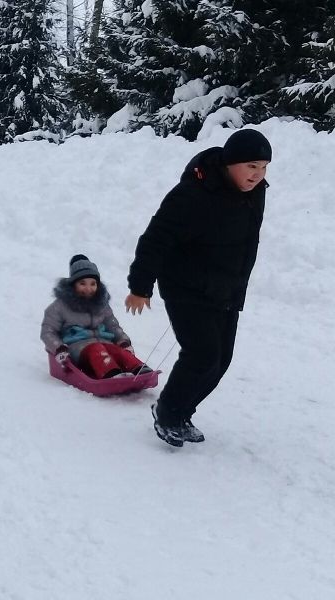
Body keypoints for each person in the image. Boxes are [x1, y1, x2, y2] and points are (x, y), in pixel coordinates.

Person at [125, 128, 271, 447]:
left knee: (221, 360)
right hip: (185, 286)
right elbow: (156, 238)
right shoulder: (194, 194)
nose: (257, 175)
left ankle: (182, 412)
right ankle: (167, 413)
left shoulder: (254, 192)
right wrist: (140, 285)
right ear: (230, 163)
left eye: (263, 168)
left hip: (226, 289)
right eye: (251, 166)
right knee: (202, 354)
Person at [41, 255, 151, 379]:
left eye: (93, 284)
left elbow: (113, 326)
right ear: (73, 284)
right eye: (82, 283)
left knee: (117, 351)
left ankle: (139, 368)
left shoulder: (101, 305)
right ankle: (111, 374)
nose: (88, 288)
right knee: (96, 349)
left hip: (104, 344)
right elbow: (48, 331)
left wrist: (123, 341)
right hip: (76, 348)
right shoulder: (60, 306)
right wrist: (59, 348)